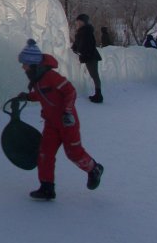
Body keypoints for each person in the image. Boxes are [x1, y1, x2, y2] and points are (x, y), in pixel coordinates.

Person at [15, 39, 104, 201]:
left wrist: (67, 111)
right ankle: (46, 187)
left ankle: (94, 169)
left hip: (67, 122)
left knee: (74, 153)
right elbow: (43, 94)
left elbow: (70, 91)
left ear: (33, 64)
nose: (23, 67)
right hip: (51, 123)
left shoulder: (51, 76)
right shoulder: (37, 80)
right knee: (45, 153)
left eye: (25, 64)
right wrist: (28, 96)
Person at [72, 13, 103, 103]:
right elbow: (79, 43)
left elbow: (86, 44)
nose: (77, 23)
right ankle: (98, 94)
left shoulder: (86, 31)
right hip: (89, 56)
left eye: (79, 21)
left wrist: (79, 50)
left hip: (91, 56)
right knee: (93, 75)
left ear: (84, 22)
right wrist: (75, 48)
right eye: (77, 21)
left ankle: (99, 95)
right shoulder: (82, 31)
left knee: (94, 75)